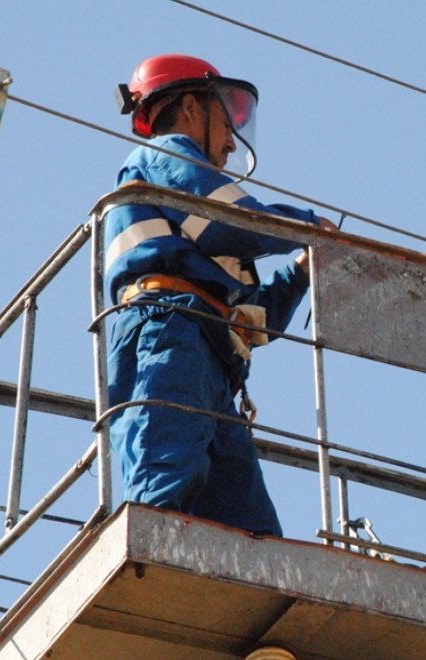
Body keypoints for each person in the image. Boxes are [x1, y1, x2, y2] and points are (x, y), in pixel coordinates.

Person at [105, 54, 331, 536]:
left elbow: (251, 319)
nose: (230, 143)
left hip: (207, 346)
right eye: (227, 122)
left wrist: (300, 272)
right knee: (164, 485)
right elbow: (236, 222)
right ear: (190, 106)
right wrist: (311, 229)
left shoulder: (195, 220)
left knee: (252, 530)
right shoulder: (164, 156)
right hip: (166, 332)